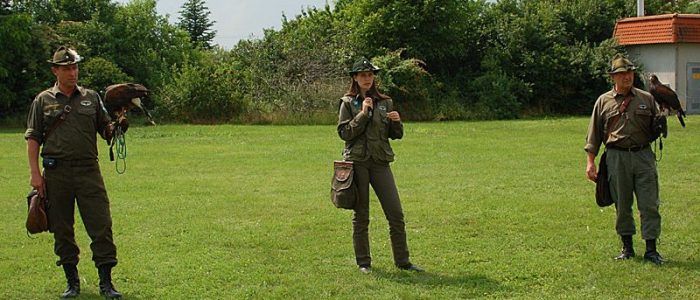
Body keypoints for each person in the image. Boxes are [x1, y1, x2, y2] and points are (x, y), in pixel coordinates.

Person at [25, 46, 124, 298]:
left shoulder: (91, 97)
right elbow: (33, 138)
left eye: (75, 67)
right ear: (55, 70)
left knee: (101, 224)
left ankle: (106, 283)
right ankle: (72, 282)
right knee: (62, 228)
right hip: (56, 174)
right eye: (67, 68)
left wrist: (119, 124)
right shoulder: (43, 100)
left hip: (89, 172)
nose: (73, 72)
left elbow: (106, 130)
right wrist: (35, 174)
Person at [337, 57, 424, 274]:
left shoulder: (386, 102)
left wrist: (397, 122)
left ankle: (403, 261)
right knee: (361, 215)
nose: (367, 78)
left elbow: (396, 135)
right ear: (355, 78)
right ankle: (364, 263)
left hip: (380, 162)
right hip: (357, 163)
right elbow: (344, 133)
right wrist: (363, 114)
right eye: (362, 75)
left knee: (395, 212)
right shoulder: (347, 103)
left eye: (370, 75)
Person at [584, 54, 665, 265]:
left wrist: (659, 127)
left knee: (649, 203)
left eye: (629, 73)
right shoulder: (603, 101)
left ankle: (651, 250)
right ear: (613, 77)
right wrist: (590, 163)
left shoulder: (646, 98)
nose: (626, 77)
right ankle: (627, 248)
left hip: (643, 156)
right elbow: (593, 136)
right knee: (622, 205)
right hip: (616, 157)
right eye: (621, 74)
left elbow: (655, 129)